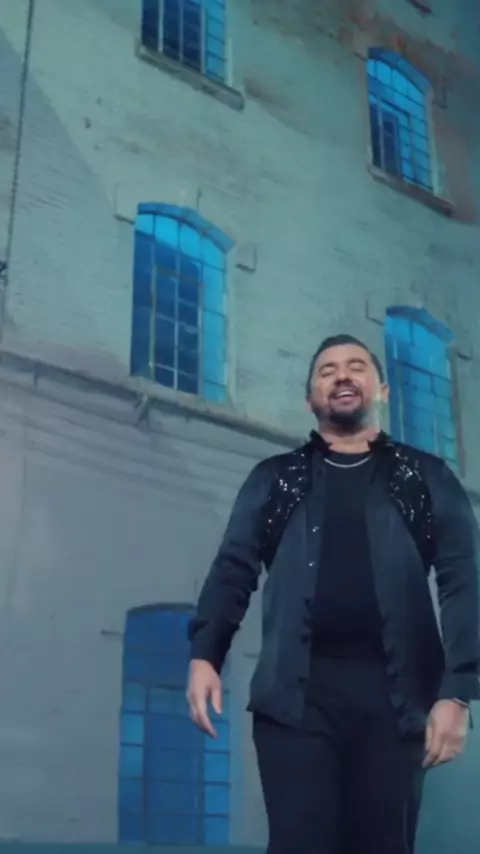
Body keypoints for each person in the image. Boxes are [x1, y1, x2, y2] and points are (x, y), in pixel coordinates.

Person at [186, 334, 480, 854]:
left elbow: (464, 580)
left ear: (382, 390)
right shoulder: (274, 479)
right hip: (294, 703)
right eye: (327, 370)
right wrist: (206, 654)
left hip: (397, 705)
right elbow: (234, 568)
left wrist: (458, 692)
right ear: (310, 399)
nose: (342, 375)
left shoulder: (427, 477)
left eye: (356, 366)